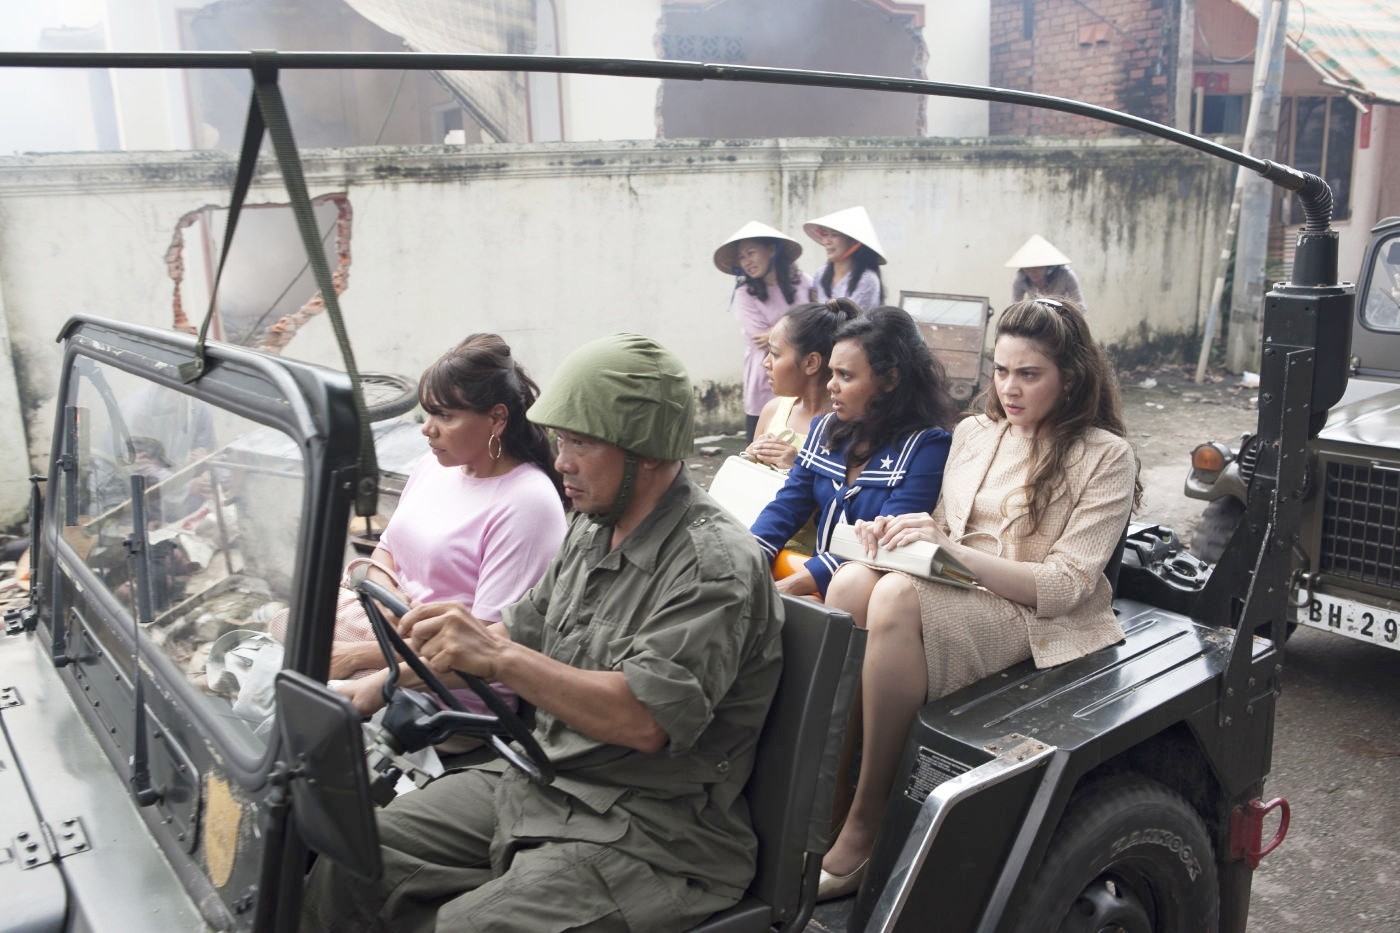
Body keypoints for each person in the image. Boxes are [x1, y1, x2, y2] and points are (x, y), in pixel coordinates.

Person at [302, 334, 784, 932]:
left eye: (581, 443)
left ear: (649, 453)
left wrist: (498, 657)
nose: (561, 462)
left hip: (650, 832)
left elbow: (643, 720)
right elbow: (513, 633)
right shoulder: (591, 528)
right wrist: (376, 683)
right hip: (541, 776)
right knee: (352, 853)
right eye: (560, 439)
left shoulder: (712, 565)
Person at [816, 297, 1139, 900]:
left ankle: (869, 818)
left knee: (894, 601)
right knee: (851, 582)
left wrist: (950, 554)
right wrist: (900, 532)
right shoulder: (974, 431)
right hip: (956, 587)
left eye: (1029, 374)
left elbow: (1065, 587)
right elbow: (943, 525)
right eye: (1001, 370)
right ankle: (828, 797)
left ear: (1069, 378)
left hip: (1038, 618)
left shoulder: (1105, 456)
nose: (1009, 388)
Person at [328, 334, 568, 693]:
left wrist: (355, 656)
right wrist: (388, 595)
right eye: (428, 413)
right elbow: (386, 549)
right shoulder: (434, 466)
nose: (427, 428)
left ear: (497, 419)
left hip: (445, 687)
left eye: (445, 415)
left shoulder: (526, 503)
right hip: (389, 633)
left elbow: (485, 647)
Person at [749, 306, 958, 599]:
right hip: (811, 584)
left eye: (845, 376)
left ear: (890, 379)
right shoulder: (824, 429)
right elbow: (787, 507)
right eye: (832, 373)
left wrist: (787, 589)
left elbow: (882, 539)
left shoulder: (926, 446)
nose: (831, 385)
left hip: (864, 595)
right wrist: (747, 560)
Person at [714, 220, 813, 442]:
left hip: (802, 375)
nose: (747, 261)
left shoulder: (804, 283)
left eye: (751, 253)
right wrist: (797, 325)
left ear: (772, 249)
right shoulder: (744, 294)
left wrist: (776, 330)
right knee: (759, 445)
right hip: (764, 376)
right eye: (742, 257)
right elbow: (760, 338)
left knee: (797, 442)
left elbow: (819, 322)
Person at [745, 297, 860, 471]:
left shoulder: (849, 426)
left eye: (775, 354)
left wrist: (799, 466)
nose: (766, 363)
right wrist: (751, 456)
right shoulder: (773, 411)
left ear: (810, 363)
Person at [805, 206, 886, 310]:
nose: (826, 241)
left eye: (834, 235)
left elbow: (853, 321)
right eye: (824, 234)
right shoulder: (820, 274)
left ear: (854, 241)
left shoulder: (867, 280)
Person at [1006, 233, 1085, 308]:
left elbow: (1079, 305)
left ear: (1048, 267)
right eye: (1028, 269)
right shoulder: (1021, 278)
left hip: (1063, 314)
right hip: (1038, 314)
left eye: (1037, 268)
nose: (1032, 272)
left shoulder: (1066, 275)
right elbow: (1015, 305)